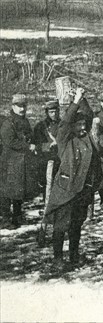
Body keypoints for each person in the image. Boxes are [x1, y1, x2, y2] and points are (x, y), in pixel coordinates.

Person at [44, 88, 102, 269]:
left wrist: (82, 98)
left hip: (83, 190)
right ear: (72, 126)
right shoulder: (65, 139)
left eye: (84, 124)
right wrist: (75, 100)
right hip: (66, 190)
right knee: (61, 225)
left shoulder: (87, 139)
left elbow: (89, 115)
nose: (83, 127)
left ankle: (74, 256)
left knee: (76, 225)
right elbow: (65, 122)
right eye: (79, 124)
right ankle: (58, 258)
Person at [0, 94, 38, 228]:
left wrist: (32, 143)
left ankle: (17, 216)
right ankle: (5, 219)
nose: (22, 109)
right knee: (6, 192)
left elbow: (30, 136)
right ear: (13, 107)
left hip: (22, 162)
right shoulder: (8, 123)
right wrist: (27, 146)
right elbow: (9, 141)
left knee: (19, 190)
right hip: (9, 162)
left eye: (24, 106)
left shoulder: (25, 121)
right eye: (19, 106)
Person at [32, 99, 62, 201]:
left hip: (60, 158)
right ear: (47, 113)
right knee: (47, 184)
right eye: (51, 112)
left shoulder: (62, 125)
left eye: (56, 111)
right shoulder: (40, 126)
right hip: (46, 159)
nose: (54, 114)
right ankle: (47, 204)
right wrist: (48, 145)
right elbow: (36, 144)